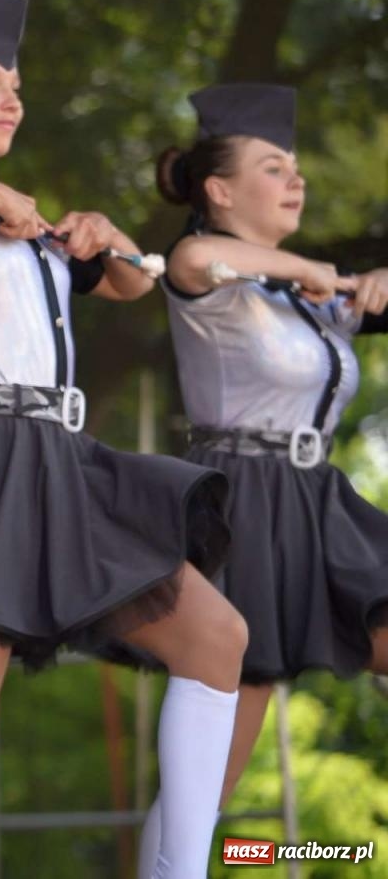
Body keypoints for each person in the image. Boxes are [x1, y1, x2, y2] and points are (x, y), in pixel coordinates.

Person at [0, 0, 244, 879]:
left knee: (216, 638)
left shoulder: (24, 217)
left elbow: (129, 284)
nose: (12, 100)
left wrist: (97, 231)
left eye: (17, 86)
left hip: (65, 463)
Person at [135, 82, 388, 874]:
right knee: (212, 774)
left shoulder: (307, 298)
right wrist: (315, 267)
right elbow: (198, 258)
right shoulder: (208, 269)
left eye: (296, 168)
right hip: (243, 507)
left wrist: (370, 286)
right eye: (274, 167)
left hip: (317, 502)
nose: (296, 180)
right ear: (219, 189)